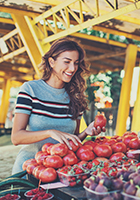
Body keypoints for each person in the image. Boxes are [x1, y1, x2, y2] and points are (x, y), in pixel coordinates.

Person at [11, 37, 105, 174]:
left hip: (61, 174)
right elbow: (16, 137)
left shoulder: (76, 97)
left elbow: (71, 142)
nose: (72, 68)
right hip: (29, 170)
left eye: (76, 63)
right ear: (52, 62)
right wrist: (50, 132)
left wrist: (86, 133)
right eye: (67, 62)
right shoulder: (30, 89)